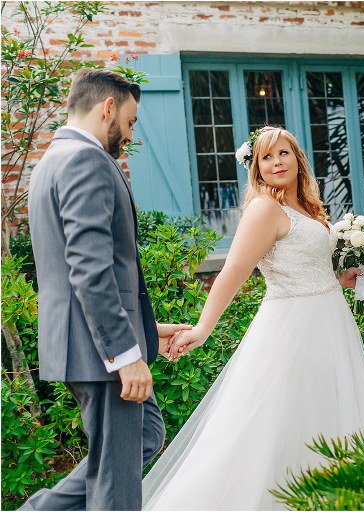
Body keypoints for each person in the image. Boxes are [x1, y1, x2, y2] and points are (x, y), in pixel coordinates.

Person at [142, 126, 364, 510]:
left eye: (283, 153)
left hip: (330, 323)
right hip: (291, 329)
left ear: (297, 158)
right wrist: (203, 328)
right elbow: (233, 271)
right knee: (274, 426)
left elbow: (304, 265)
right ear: (256, 168)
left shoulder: (305, 207)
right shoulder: (265, 209)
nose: (276, 163)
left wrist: (341, 278)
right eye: (266, 157)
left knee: (321, 416)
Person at [22, 68, 191, 511]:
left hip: (89, 343)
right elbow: (89, 268)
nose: (130, 135)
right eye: (131, 123)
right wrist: (124, 355)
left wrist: (146, 330)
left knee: (145, 436)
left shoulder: (52, 160)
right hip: (101, 355)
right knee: (116, 488)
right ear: (108, 107)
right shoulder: (86, 160)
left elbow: (81, 266)